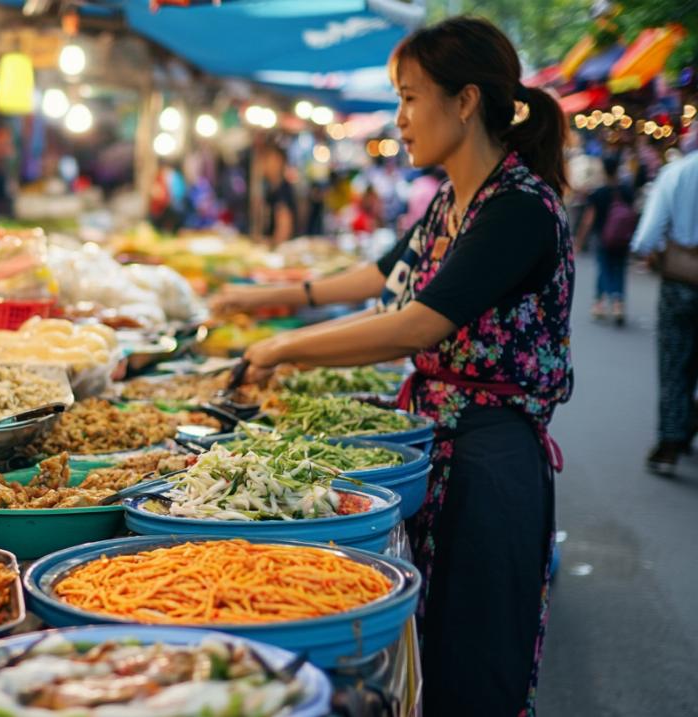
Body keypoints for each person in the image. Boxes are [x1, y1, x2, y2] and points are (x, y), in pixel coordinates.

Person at [211, 17, 571, 716]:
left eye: (410, 98)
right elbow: (382, 276)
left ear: (465, 101)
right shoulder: (452, 200)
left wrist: (280, 347)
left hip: (492, 456)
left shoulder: (518, 208)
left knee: (475, 666)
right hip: (437, 439)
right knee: (436, 652)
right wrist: (270, 299)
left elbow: (416, 321)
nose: (400, 119)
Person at [631, 130, 698, 476]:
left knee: (674, 362)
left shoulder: (677, 173)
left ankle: (671, 441)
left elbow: (645, 238)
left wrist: (660, 257)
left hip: (680, 281)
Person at [575, 154, 635, 324]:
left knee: (604, 269)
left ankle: (600, 303)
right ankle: (618, 304)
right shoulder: (626, 190)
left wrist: (580, 240)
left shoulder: (599, 193)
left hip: (603, 237)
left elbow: (588, 219)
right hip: (623, 239)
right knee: (619, 269)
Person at [256, 141, 297, 244]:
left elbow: (284, 228)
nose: (262, 164)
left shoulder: (282, 190)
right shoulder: (272, 188)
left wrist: (272, 245)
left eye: (266, 159)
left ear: (278, 162)